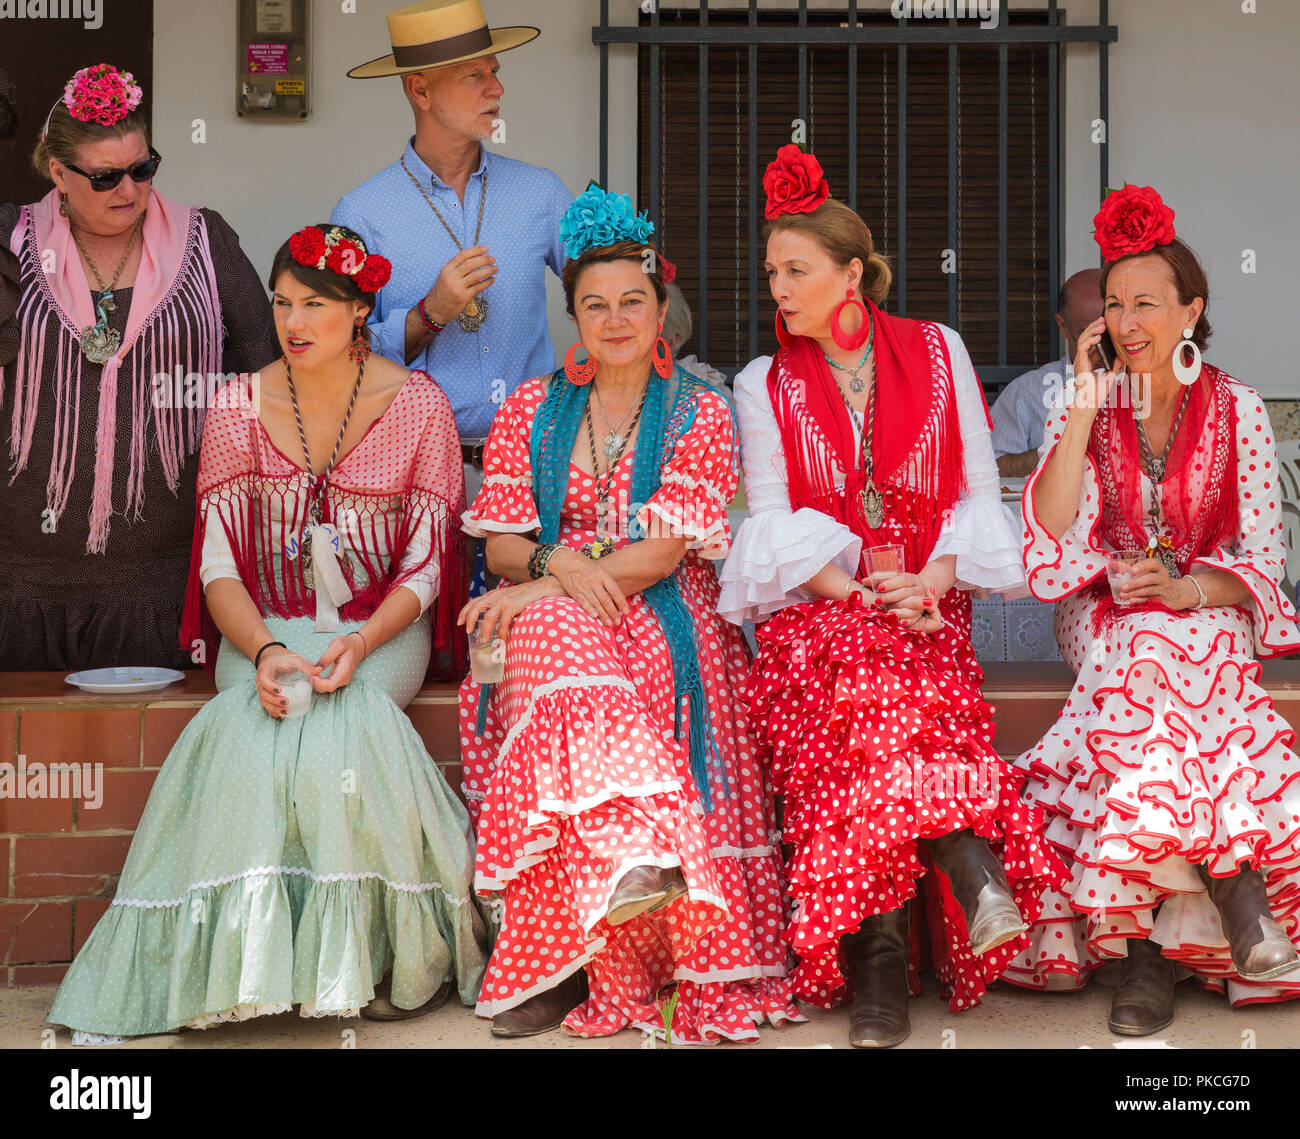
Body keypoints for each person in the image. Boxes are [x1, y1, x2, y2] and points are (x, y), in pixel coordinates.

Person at [46, 223, 488, 1044]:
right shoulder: (235, 403)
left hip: (379, 628)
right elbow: (218, 567)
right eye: (283, 302)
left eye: (315, 304)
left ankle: (377, 957)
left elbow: (426, 570)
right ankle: (240, 968)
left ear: (361, 311)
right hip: (262, 631)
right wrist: (266, 649)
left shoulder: (419, 404)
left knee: (341, 720)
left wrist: (356, 644)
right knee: (254, 725)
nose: (293, 320)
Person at [719, 146, 1066, 1048]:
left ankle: (879, 965)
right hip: (819, 610)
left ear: (852, 273)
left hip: (926, 602)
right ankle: (965, 861)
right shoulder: (763, 383)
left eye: (797, 270)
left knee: (884, 694)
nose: (779, 290)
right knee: (860, 685)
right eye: (772, 273)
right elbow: (771, 525)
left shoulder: (940, 352)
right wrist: (864, 593)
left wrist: (931, 582)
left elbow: (976, 495)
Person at [455, 186, 802, 1043]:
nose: (615, 320)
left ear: (661, 311)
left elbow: (662, 553)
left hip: (661, 607)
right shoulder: (531, 407)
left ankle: (601, 957)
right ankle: (604, 913)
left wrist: (545, 582)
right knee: (564, 644)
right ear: (572, 314)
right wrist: (555, 565)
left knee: (586, 647)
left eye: (632, 303)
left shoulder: (701, 408)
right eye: (595, 304)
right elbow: (501, 544)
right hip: (561, 610)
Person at [1005, 185, 1300, 1032]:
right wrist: (1083, 407)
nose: (1129, 322)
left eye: (1147, 303)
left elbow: (1263, 559)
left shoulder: (1238, 406)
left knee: (1161, 653)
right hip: (1104, 612)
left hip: (1206, 610)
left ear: (1190, 310)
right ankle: (1236, 895)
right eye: (1116, 306)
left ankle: (1150, 958)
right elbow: (1054, 531)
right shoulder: (1085, 401)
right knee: (1141, 648)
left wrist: (1186, 588)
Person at [0, 64, 278, 671]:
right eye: (104, 177)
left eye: (143, 168)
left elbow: (268, 374)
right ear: (58, 174)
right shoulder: (11, 244)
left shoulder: (205, 241)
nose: (128, 189)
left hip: (163, 575)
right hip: (21, 579)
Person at [333, 0, 571, 497]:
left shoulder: (542, 193)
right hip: (414, 475)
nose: (497, 88)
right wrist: (428, 314)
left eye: (495, 71)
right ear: (420, 88)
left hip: (536, 466)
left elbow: (607, 296)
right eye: (473, 75)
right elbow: (340, 357)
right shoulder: (361, 214)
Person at [990, 269, 1103, 479]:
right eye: (1087, 333)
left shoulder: (1148, 385)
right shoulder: (1025, 393)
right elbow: (992, 468)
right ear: (1062, 326)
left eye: (1108, 333)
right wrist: (1058, 450)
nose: (1099, 345)